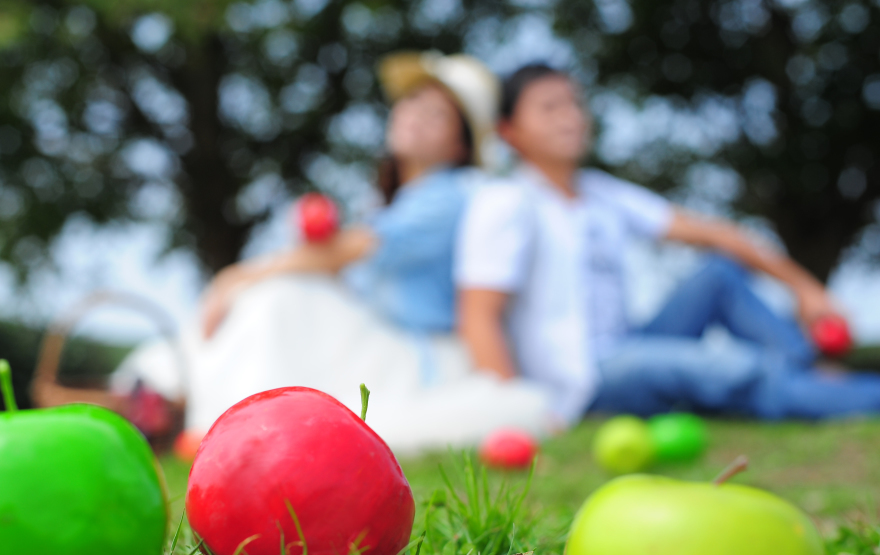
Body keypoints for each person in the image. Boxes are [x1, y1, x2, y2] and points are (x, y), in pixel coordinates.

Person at [114, 53, 557, 453]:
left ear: (460, 145)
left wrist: (237, 277)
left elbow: (348, 253)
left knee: (283, 294)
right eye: (412, 103)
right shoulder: (397, 200)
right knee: (280, 300)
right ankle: (164, 397)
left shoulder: (447, 196)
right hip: (381, 342)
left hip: (414, 355)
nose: (416, 116)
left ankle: (201, 417)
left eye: (436, 114)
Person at [455, 63, 880, 424]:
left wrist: (806, 289)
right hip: (584, 379)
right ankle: (836, 390)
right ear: (509, 131)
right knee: (726, 368)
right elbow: (479, 315)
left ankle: (808, 371)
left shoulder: (601, 194)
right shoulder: (505, 202)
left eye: (574, 103)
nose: (571, 117)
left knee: (719, 276)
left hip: (630, 344)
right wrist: (521, 415)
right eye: (550, 108)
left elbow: (719, 235)